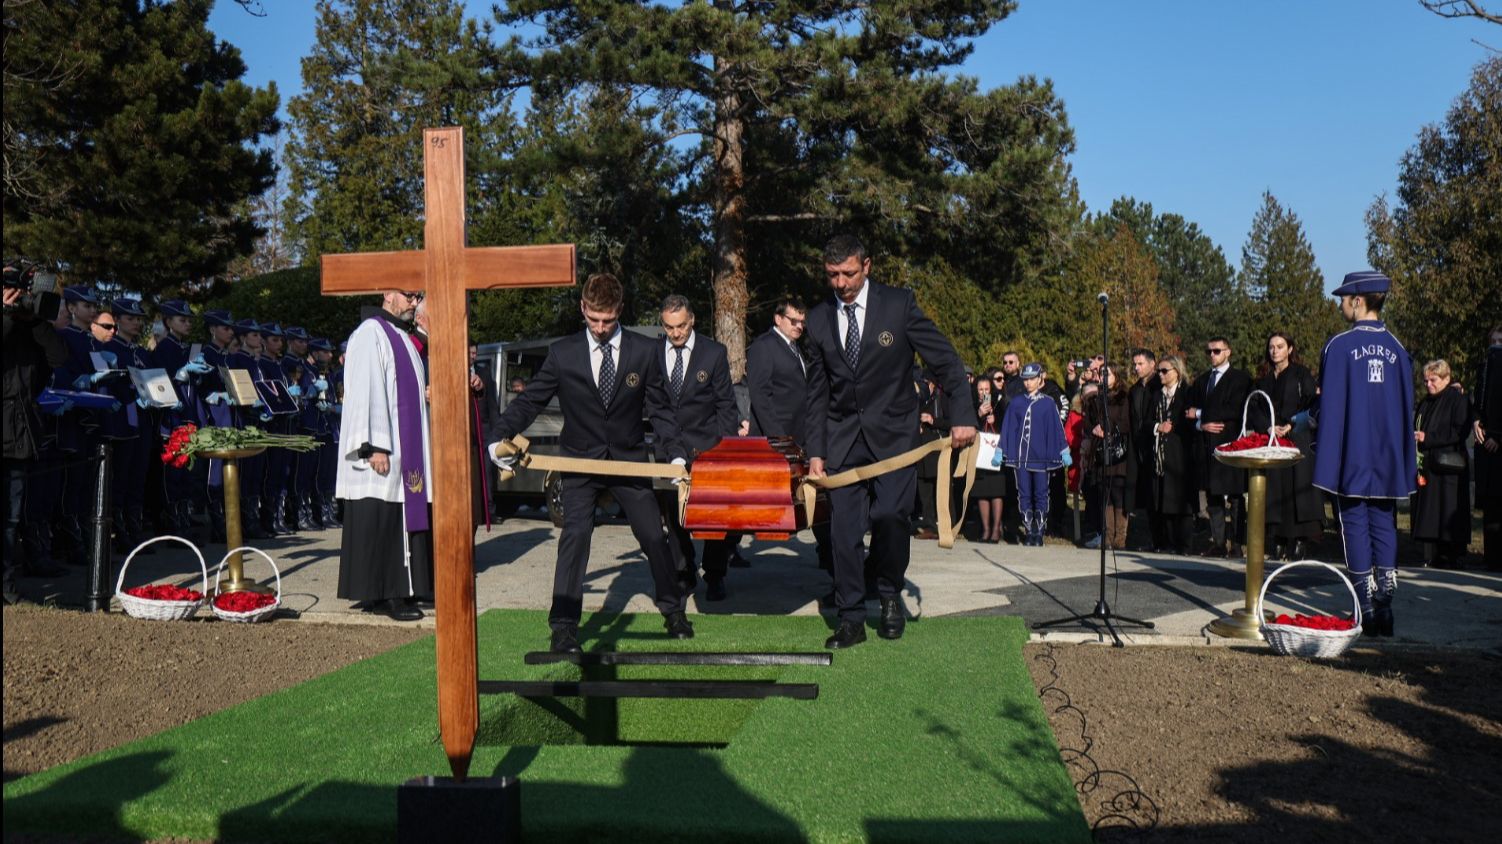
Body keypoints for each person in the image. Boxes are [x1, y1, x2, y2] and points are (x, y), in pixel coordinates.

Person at [487, 273, 691, 652]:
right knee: (575, 537)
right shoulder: (563, 354)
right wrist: (496, 437)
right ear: (582, 308)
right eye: (593, 319)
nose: (599, 328)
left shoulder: (644, 352)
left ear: (620, 311)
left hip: (629, 462)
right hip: (579, 461)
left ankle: (673, 609)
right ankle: (563, 625)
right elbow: (531, 401)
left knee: (652, 535)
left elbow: (661, 411)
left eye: (608, 320)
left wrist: (676, 455)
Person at [803, 235, 976, 649]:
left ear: (867, 266)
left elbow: (945, 360)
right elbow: (816, 393)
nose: (839, 283)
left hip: (896, 437)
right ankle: (850, 618)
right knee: (842, 533)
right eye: (831, 275)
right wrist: (816, 452)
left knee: (890, 517)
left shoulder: (899, 306)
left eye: (847, 273)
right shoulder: (817, 319)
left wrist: (964, 417)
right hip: (843, 440)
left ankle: (888, 592)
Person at [1307, 271, 1416, 637]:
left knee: (1353, 521)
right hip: (1385, 453)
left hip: (1351, 451)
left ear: (1358, 300)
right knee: (1384, 521)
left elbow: (1329, 406)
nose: (1339, 305)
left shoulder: (1338, 347)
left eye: (1342, 299)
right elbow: (1405, 407)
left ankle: (1365, 606)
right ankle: (1385, 598)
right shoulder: (1399, 350)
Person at [335, 290, 432, 622]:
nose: (413, 303)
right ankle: (388, 594)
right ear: (389, 293)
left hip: (403, 450)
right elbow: (365, 388)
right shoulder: (370, 333)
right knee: (383, 521)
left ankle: (390, 590)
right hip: (381, 449)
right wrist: (373, 445)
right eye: (409, 296)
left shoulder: (400, 336)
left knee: (393, 520)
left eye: (417, 297)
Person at [655, 294, 739, 600]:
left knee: (714, 518)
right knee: (675, 516)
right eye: (668, 327)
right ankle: (684, 571)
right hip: (667, 449)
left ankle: (715, 574)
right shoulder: (653, 354)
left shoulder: (713, 353)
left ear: (692, 320)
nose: (675, 333)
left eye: (680, 326)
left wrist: (724, 450)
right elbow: (656, 406)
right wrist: (671, 451)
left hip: (708, 449)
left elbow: (726, 406)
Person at [746, 295, 835, 571]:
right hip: (774, 444)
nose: (799, 326)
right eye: (793, 321)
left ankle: (831, 559)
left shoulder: (797, 349)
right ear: (778, 319)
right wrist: (780, 442)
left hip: (801, 441)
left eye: (802, 322)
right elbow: (761, 397)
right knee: (747, 509)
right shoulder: (764, 347)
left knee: (819, 500)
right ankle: (715, 570)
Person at [4, 265, 71, 600]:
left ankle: (6, 588)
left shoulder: (28, 330)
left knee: (10, 518)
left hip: (19, 434)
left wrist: (36, 323)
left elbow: (58, 358)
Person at [1247, 332, 1321, 560]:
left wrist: (1291, 424)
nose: (1275, 350)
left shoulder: (1301, 374)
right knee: (1276, 489)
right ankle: (1277, 540)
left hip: (1297, 436)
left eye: (1280, 346)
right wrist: (1268, 427)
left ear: (1289, 349)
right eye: (1271, 347)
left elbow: (1312, 402)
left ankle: (1300, 541)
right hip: (1272, 439)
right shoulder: (1264, 379)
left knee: (1298, 487)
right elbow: (1254, 407)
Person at [1187, 336, 1250, 557]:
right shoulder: (1202, 380)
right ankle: (1219, 542)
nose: (1212, 355)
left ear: (1228, 352)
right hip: (1206, 447)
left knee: (1234, 497)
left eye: (1216, 351)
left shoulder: (1240, 379)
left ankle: (1237, 544)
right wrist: (1199, 423)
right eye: (1209, 351)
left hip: (1230, 445)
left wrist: (1202, 414)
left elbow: (1236, 409)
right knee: (1213, 497)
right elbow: (1188, 411)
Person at [1412, 360, 1472, 568]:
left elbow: (1459, 431)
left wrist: (1428, 437)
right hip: (1428, 464)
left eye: (1433, 380)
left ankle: (1450, 555)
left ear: (1446, 378)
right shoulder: (1425, 402)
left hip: (1449, 467)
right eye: (1426, 380)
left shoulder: (1458, 400)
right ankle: (1429, 554)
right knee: (1429, 511)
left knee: (1448, 509)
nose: (1429, 384)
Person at [1000, 363, 1069, 546]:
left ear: (1040, 379)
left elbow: (1056, 429)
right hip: (1021, 457)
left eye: (1032, 379)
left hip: (1041, 457)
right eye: (1026, 379)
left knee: (1041, 493)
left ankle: (1039, 531)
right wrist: (1002, 450)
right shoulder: (1016, 402)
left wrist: (1064, 450)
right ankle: (1029, 530)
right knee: (1023, 494)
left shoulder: (1048, 403)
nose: (1029, 383)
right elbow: (1007, 428)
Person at [1146, 355, 1196, 554]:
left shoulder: (1187, 393)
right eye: (1159, 371)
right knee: (1163, 499)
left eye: (1164, 370)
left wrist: (1174, 427)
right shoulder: (1157, 395)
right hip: (1160, 454)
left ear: (1177, 371)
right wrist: (1159, 426)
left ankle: (1184, 545)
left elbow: (1189, 421)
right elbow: (1146, 422)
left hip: (1180, 454)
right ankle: (1165, 543)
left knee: (1180, 501)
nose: (1160, 374)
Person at [1082, 366, 1132, 550]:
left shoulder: (1124, 397)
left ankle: (1121, 538)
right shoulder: (1096, 399)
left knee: (1118, 495)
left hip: (1118, 452)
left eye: (1107, 373)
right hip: (1101, 452)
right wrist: (1095, 427)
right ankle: (1108, 537)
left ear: (1116, 376)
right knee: (1106, 497)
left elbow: (1126, 422)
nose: (1103, 377)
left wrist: (1107, 428)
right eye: (1100, 373)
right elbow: (1089, 422)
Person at [1128, 349, 1160, 550]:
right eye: (1135, 364)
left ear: (1152, 364)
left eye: (1140, 364)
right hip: (1139, 446)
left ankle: (1161, 539)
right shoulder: (1135, 390)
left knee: (1157, 495)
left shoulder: (1159, 386)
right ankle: (1149, 538)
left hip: (1156, 445)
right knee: (1145, 497)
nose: (1137, 368)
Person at [1475, 326, 1502, 572]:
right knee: (1491, 505)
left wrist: (1498, 437)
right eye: (1492, 340)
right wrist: (1477, 423)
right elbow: (1480, 402)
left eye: (1500, 341)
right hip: (1486, 446)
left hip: (1498, 444)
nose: (1495, 345)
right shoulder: (1485, 369)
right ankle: (1490, 556)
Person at [970, 375, 1007, 543]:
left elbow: (1007, 426)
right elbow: (968, 425)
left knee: (996, 491)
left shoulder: (999, 404)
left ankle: (996, 529)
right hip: (979, 454)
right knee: (982, 491)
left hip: (995, 453)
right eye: (980, 389)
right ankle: (985, 529)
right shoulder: (971, 405)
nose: (984, 393)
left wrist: (995, 419)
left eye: (987, 389)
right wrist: (979, 414)